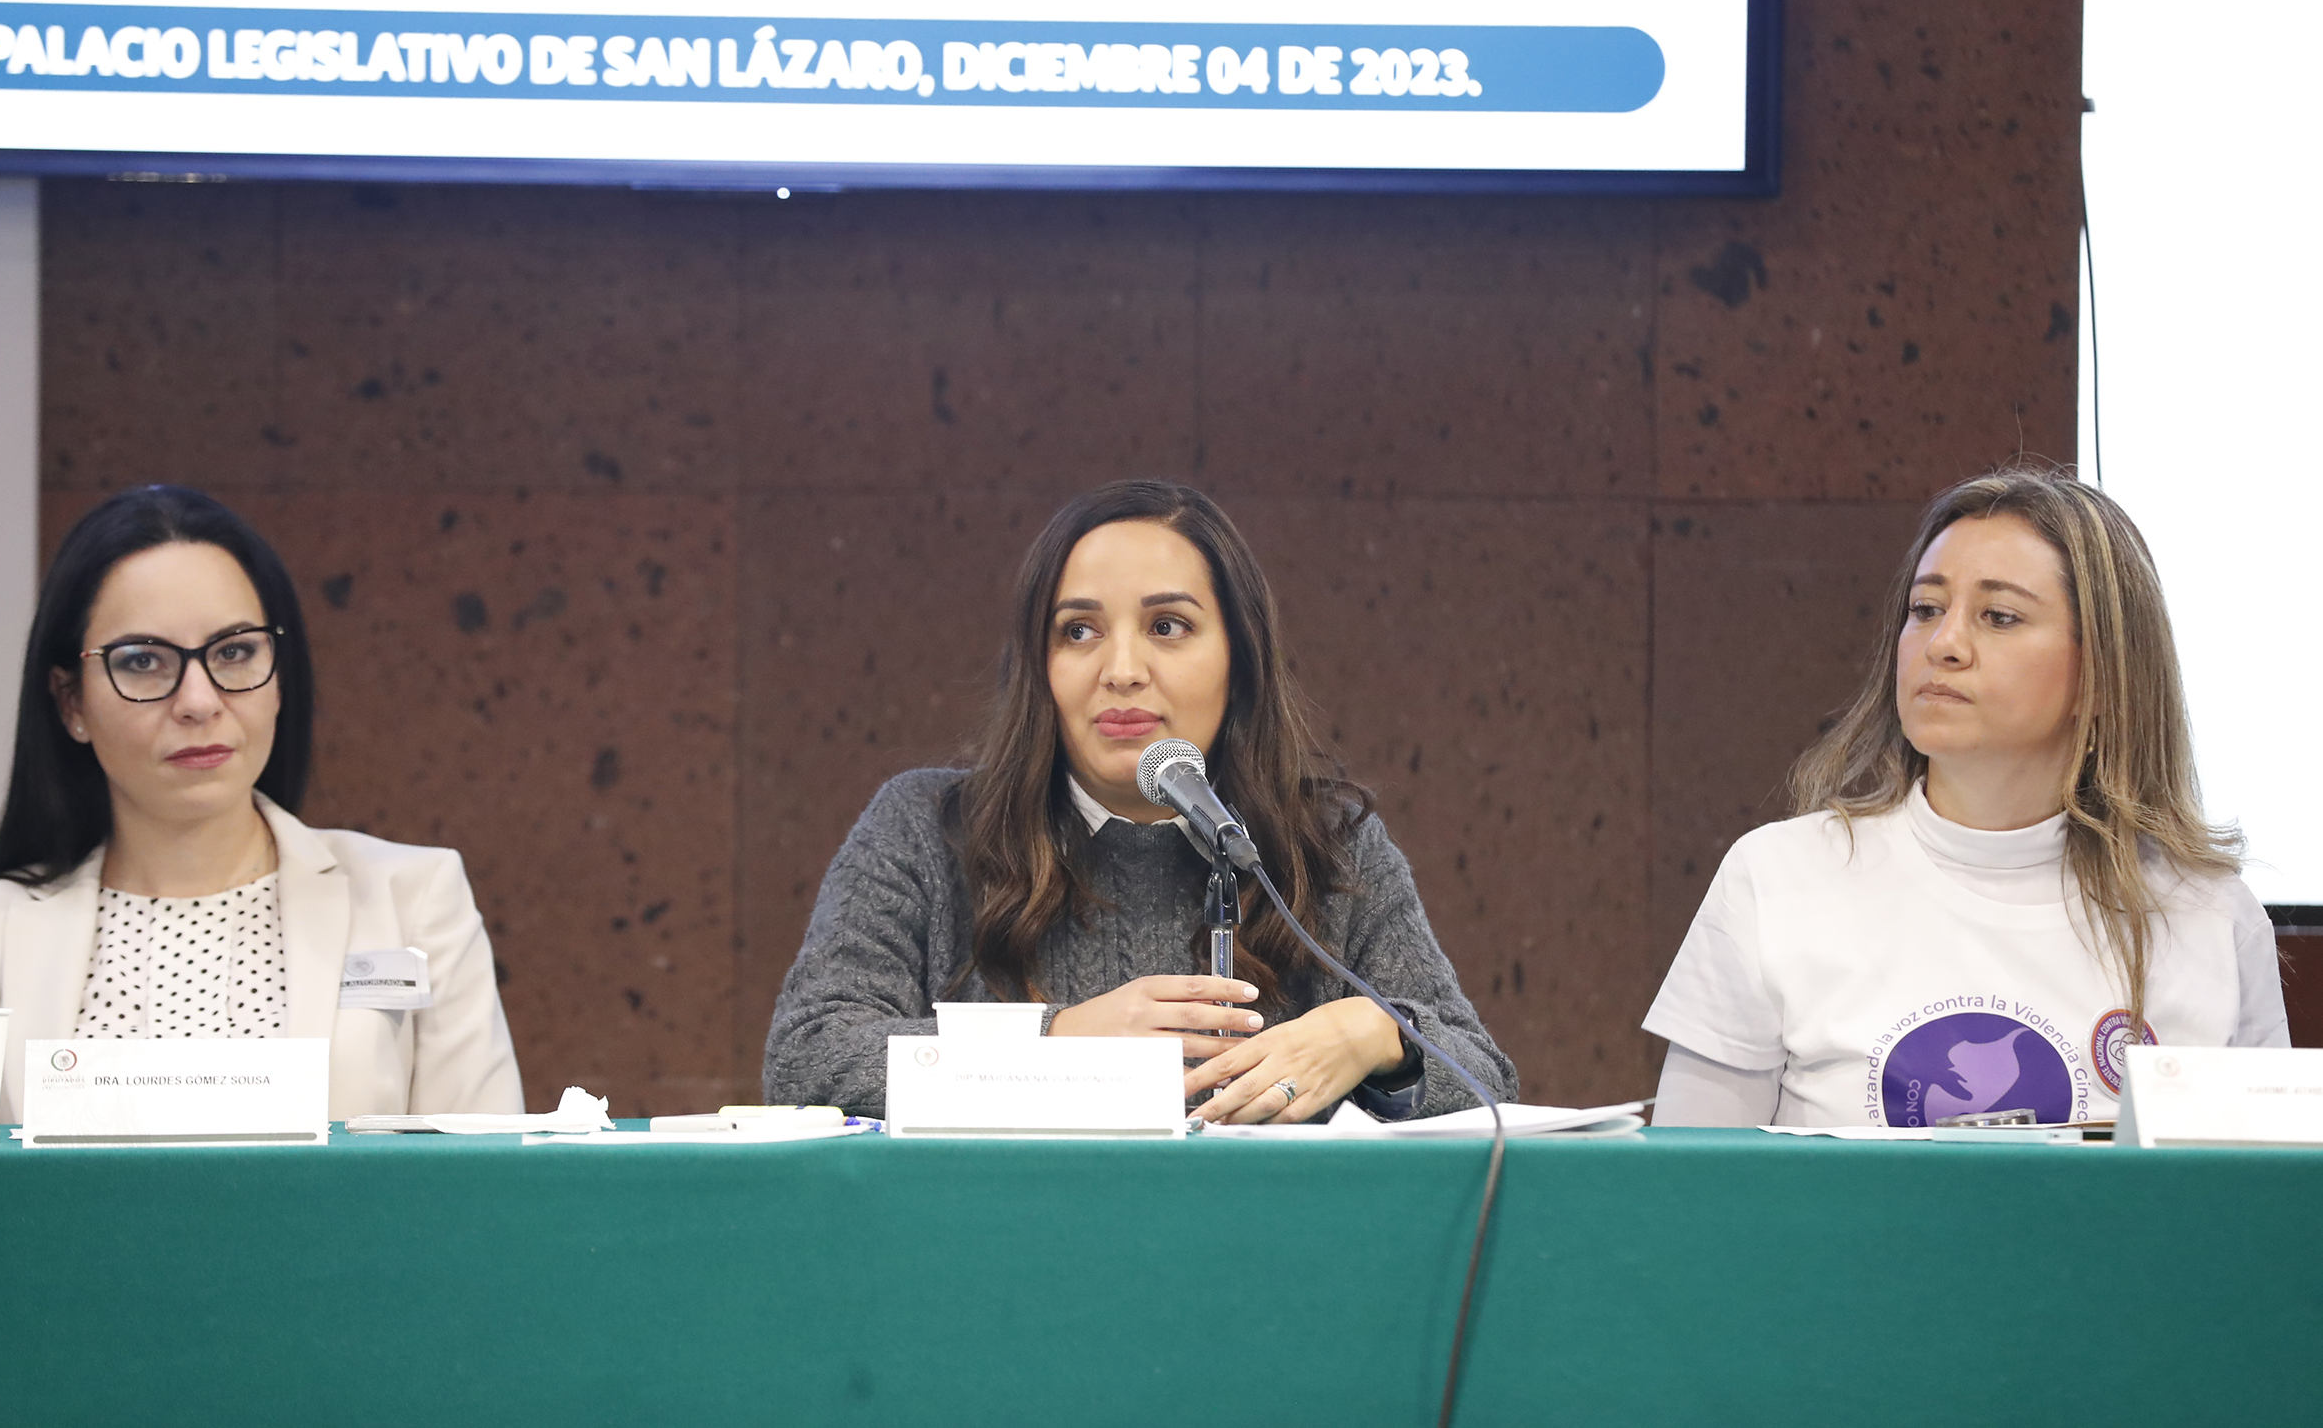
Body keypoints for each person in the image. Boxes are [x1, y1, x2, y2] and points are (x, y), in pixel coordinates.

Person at [765, 479, 1514, 1122]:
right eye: (1079, 630)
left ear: (1239, 657)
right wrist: (1058, 1043)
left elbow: (1485, 1074)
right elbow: (808, 1054)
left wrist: (1374, 1034)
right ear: (1039, 666)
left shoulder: (1326, 839)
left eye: (1167, 626)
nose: (1122, 669)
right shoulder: (929, 827)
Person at [1644, 467, 2288, 1128]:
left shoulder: (2212, 918)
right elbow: (1690, 1182)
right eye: (1926, 609)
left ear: (2102, 674)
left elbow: (2257, 1187)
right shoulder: (1775, 879)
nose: (1944, 644)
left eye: (1999, 617)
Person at [0, 486, 521, 1123]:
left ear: (279, 677)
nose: (198, 701)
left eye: (234, 652)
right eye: (143, 661)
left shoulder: (414, 903)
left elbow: (483, 1176)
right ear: (72, 703)